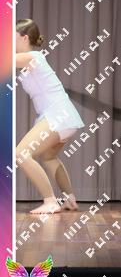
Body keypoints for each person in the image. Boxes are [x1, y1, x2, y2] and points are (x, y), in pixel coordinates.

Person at [15, 19, 84, 214]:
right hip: (61, 116)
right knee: (49, 157)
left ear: (24, 38)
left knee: (21, 154)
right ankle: (69, 199)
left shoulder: (32, 56)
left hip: (58, 114)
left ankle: (50, 201)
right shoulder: (29, 59)